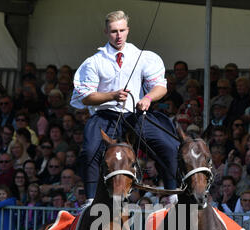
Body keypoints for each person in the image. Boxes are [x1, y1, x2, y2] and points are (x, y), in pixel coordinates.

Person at [70, 10, 179, 204]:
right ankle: (90, 199)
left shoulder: (142, 56)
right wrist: (111, 95)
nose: (118, 35)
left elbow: (160, 87)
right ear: (106, 32)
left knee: (169, 145)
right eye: (113, 31)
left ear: (128, 30)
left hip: (134, 114)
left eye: (121, 30)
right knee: (90, 150)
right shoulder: (94, 62)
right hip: (105, 115)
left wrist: (147, 98)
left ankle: (172, 191)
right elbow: (86, 97)